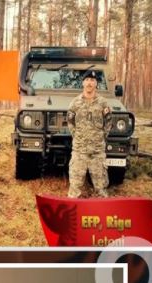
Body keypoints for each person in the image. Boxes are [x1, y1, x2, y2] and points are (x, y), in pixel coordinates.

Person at [66, 70, 112, 198]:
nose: (89, 83)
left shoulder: (103, 103)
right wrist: (78, 136)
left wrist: (100, 138)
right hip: (79, 151)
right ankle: (72, 215)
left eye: (92, 80)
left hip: (97, 153)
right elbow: (70, 123)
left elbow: (108, 124)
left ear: (96, 83)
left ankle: (102, 213)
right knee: (74, 189)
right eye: (87, 80)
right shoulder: (75, 103)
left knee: (101, 189)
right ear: (82, 83)